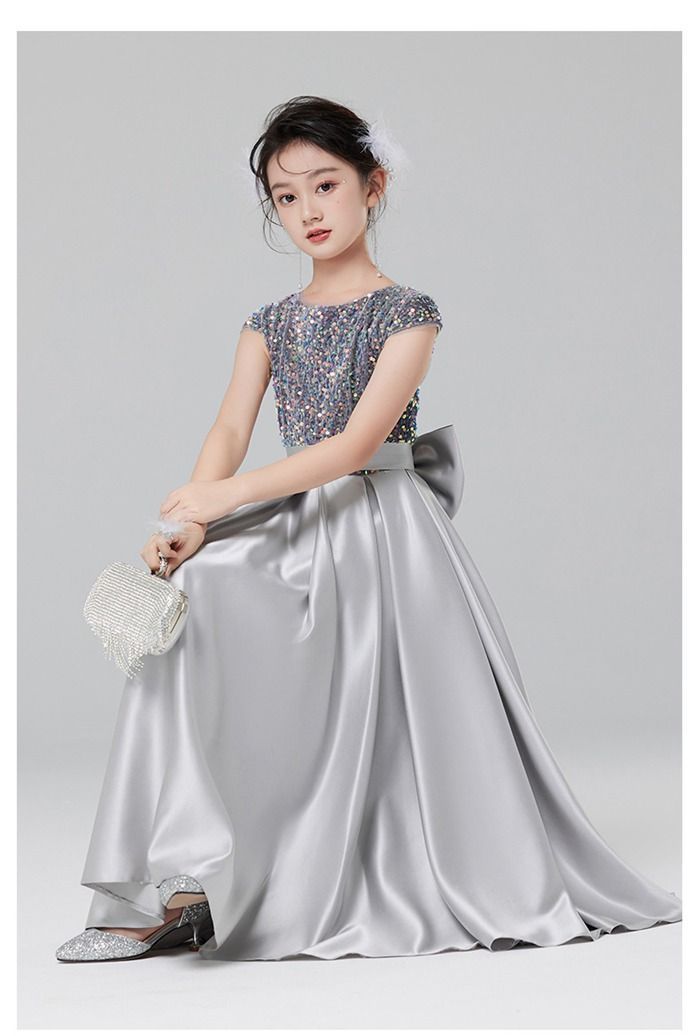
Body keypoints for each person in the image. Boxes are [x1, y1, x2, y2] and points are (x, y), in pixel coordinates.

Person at [56, 95, 682, 963]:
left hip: (384, 529)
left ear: (372, 186)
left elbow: (356, 446)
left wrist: (219, 498)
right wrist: (187, 520)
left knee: (386, 714)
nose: (308, 210)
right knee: (190, 600)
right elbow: (230, 429)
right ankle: (183, 880)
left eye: (326, 185)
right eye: (286, 196)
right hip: (295, 517)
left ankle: (353, 865)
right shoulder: (269, 322)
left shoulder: (406, 313)